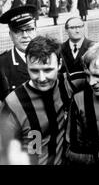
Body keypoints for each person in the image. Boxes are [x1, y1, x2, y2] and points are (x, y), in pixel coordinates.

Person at [0, 36, 77, 165]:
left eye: (48, 70)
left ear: (59, 65)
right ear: (27, 66)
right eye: (34, 71)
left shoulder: (67, 84)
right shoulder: (13, 104)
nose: (42, 78)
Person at [0, 5, 37, 101]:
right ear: (10, 35)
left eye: (29, 29)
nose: (25, 35)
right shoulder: (2, 64)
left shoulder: (52, 56)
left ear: (35, 30)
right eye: (18, 31)